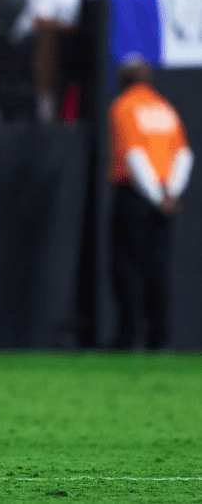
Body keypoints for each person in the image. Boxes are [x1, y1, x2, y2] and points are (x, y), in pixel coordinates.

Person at [108, 57, 194, 349]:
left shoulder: (124, 106)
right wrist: (170, 194)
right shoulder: (164, 108)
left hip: (136, 194)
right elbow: (184, 155)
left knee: (128, 267)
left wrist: (157, 197)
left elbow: (134, 156)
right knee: (157, 268)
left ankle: (129, 336)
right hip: (165, 195)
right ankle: (159, 337)